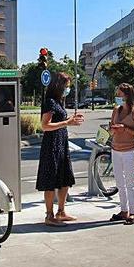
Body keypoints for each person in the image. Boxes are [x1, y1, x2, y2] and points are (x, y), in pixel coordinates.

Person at [36, 72, 84, 226]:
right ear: (59, 86)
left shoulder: (58, 102)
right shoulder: (50, 102)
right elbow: (45, 126)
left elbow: (63, 121)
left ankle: (61, 212)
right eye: (66, 86)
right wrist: (67, 123)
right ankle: (49, 216)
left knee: (65, 178)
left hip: (61, 143)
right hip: (52, 145)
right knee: (50, 180)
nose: (68, 89)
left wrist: (71, 121)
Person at [109, 83, 134, 225]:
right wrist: (113, 130)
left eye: (120, 94)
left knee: (130, 182)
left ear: (127, 95)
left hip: (130, 150)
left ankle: (133, 212)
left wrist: (126, 129)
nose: (117, 97)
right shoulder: (116, 110)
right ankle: (123, 210)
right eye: (117, 94)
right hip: (116, 149)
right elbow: (111, 129)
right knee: (119, 182)